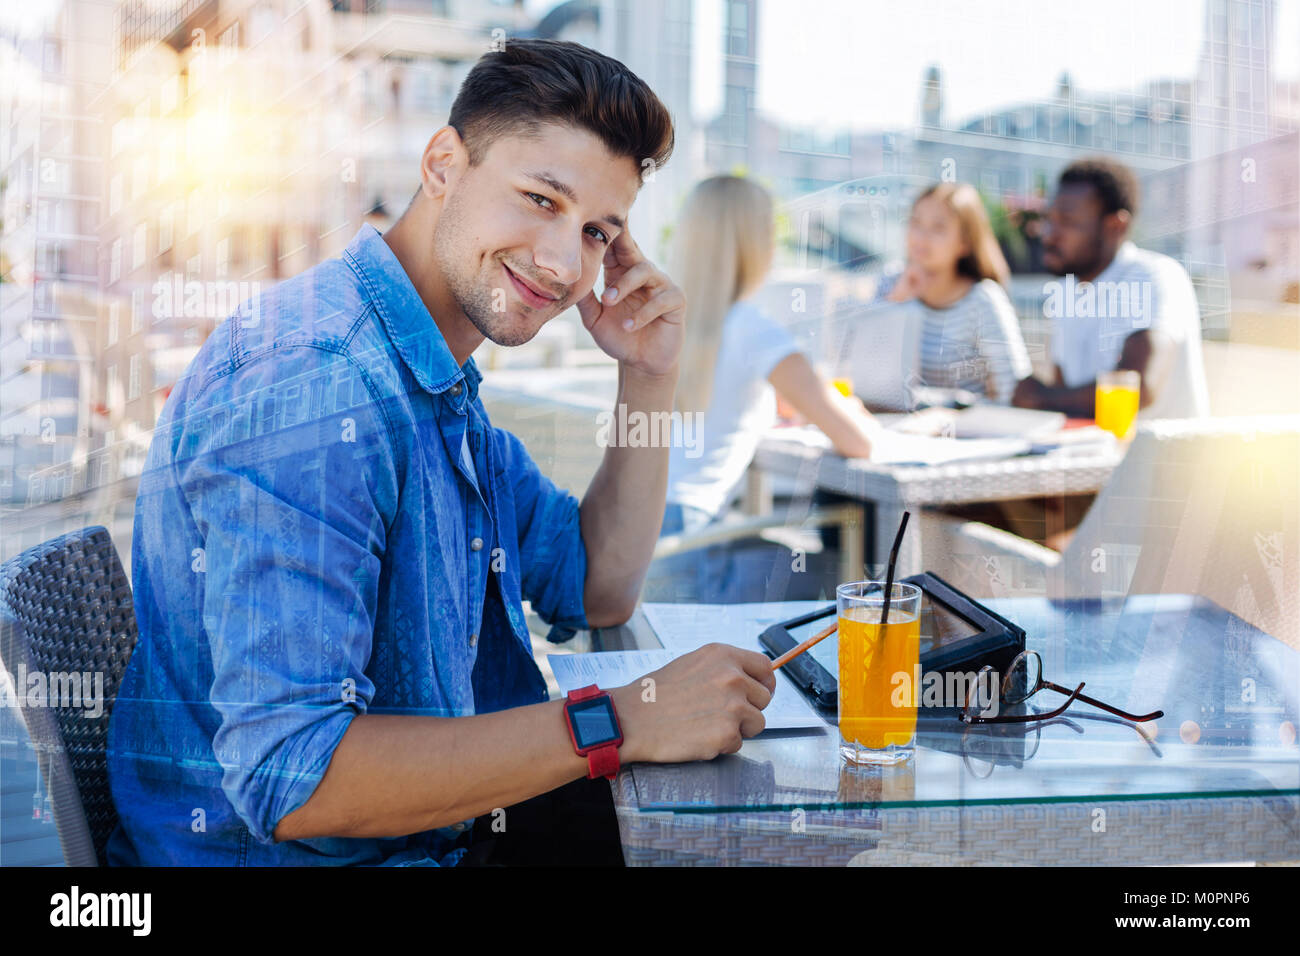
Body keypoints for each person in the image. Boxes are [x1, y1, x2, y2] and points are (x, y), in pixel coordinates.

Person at [104, 39, 778, 868]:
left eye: (599, 232)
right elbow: (293, 778)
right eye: (539, 198)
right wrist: (622, 718)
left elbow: (596, 584)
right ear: (442, 165)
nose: (566, 262)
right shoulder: (318, 385)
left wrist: (649, 377)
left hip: (439, 830)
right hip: (307, 857)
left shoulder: (433, 371)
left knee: (772, 830)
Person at [662, 175, 878, 538]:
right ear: (754, 245)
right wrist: (852, 409)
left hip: (640, 534)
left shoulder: (663, 321)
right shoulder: (752, 328)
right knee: (840, 569)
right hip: (692, 542)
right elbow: (859, 441)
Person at [1012, 158, 1210, 419]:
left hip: (1157, 459)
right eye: (1050, 219)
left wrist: (1041, 397)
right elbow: (1066, 398)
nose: (1049, 234)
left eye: (1068, 222)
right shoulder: (1066, 290)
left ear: (1116, 226)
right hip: (1092, 453)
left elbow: (1139, 389)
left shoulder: (1154, 275)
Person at [865, 182, 1032, 407]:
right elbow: (863, 373)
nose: (921, 237)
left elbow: (1012, 390)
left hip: (962, 433)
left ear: (964, 242)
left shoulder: (982, 300)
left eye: (938, 228)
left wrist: (955, 415)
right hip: (890, 426)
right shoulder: (891, 282)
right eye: (916, 223)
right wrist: (897, 302)